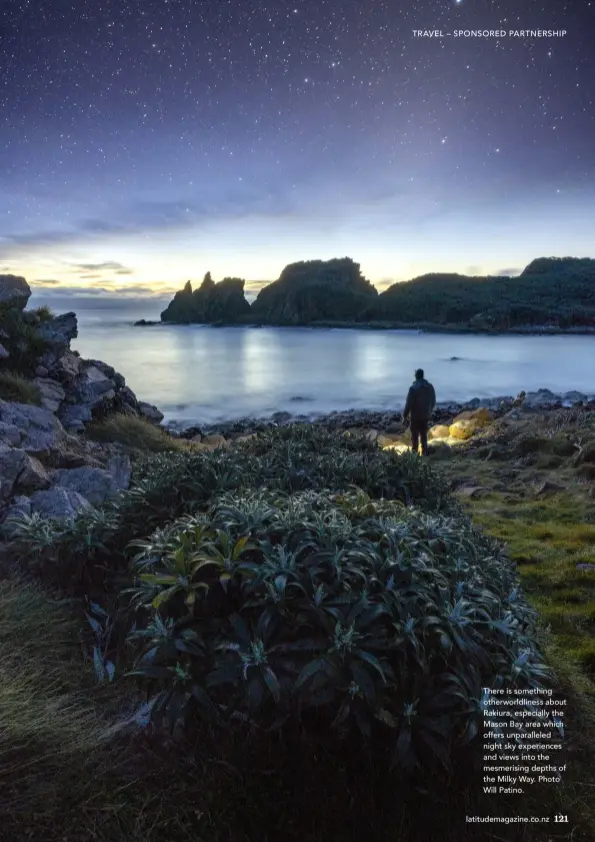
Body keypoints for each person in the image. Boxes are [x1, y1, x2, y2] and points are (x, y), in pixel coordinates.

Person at [403, 368, 436, 455]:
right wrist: (429, 410)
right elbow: (433, 401)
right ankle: (424, 453)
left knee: (414, 436)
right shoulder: (430, 386)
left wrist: (404, 415)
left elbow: (409, 404)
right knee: (424, 435)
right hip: (425, 414)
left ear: (416, 376)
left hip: (415, 416)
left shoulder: (413, 389)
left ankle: (414, 456)